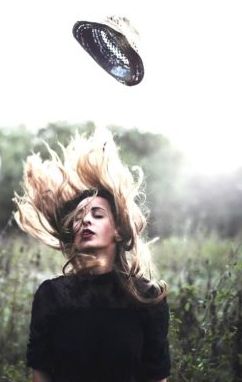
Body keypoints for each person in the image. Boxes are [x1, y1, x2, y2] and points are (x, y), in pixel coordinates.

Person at [13, 128, 170, 382]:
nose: (85, 221)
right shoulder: (52, 295)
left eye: (97, 215)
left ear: (118, 231)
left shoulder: (147, 297)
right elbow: (40, 375)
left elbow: (156, 377)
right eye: (78, 218)